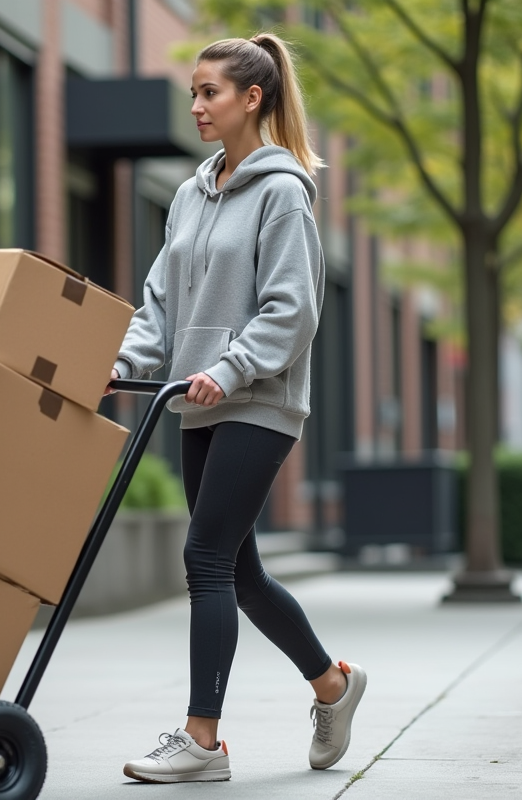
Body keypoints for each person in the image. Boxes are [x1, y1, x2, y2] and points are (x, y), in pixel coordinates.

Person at [106, 33, 366, 783]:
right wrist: (127, 361)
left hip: (260, 400)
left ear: (253, 98)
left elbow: (293, 310)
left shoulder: (284, 193)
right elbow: (160, 300)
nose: (196, 106)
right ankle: (333, 686)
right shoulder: (190, 194)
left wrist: (230, 366)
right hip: (197, 401)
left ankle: (203, 741)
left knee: (205, 558)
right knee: (241, 570)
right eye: (193, 92)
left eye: (210, 92)